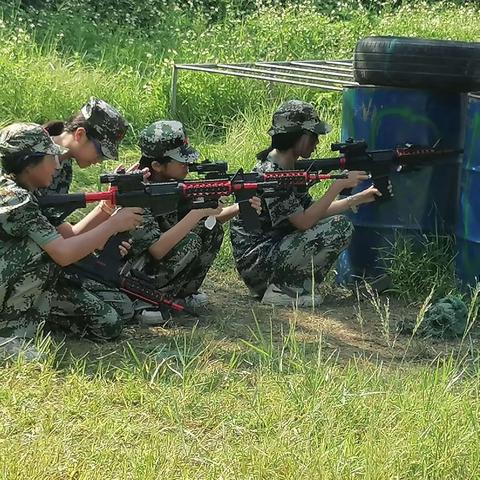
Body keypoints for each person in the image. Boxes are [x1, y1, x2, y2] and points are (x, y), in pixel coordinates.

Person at [0, 123, 143, 358]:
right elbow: (63, 253)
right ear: (28, 161)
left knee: (109, 323)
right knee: (43, 251)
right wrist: (114, 224)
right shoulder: (14, 198)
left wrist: (107, 207)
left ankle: (35, 319)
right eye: (50, 158)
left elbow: (71, 236)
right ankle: (10, 337)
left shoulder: (27, 192)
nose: (57, 165)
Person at [230, 99, 381, 306]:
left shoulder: (285, 167)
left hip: (269, 255)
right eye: (313, 137)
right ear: (299, 137)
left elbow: (310, 212)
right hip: (259, 265)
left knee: (338, 224)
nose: (316, 143)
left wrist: (357, 199)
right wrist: (337, 185)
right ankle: (282, 289)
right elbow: (304, 222)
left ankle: (292, 285)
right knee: (339, 226)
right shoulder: (272, 174)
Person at [129, 120, 260, 324]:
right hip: (135, 273)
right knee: (191, 240)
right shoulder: (138, 193)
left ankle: (181, 294)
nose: (187, 165)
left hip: (158, 265)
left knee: (212, 230)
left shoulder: (173, 185)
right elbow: (156, 250)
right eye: (180, 161)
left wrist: (239, 207)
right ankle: (145, 303)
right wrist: (197, 213)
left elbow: (200, 220)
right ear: (156, 165)